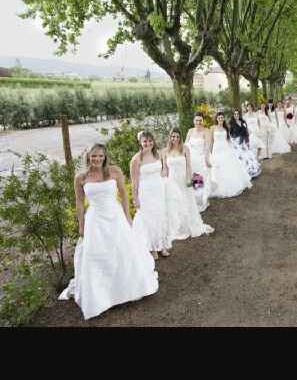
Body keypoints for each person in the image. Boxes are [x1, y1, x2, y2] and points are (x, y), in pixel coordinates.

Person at [58, 144, 158, 320]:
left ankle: (127, 289)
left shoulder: (114, 171)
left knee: (123, 251)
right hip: (95, 220)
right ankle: (101, 297)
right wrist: (81, 225)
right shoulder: (81, 178)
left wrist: (127, 216)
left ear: (105, 157)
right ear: (88, 156)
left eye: (100, 156)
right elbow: (79, 203)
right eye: (94, 156)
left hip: (115, 216)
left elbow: (124, 194)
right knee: (97, 256)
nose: (97, 159)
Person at [163, 127, 214, 242]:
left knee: (186, 200)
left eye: (177, 136)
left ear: (180, 137)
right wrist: (163, 183)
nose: (175, 139)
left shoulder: (185, 149)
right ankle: (178, 226)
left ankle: (189, 225)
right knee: (175, 203)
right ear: (169, 137)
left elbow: (188, 166)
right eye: (172, 136)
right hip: (172, 181)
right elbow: (165, 169)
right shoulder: (165, 151)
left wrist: (189, 179)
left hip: (183, 179)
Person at [130, 130, 171, 258]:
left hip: (158, 189)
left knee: (160, 216)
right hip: (145, 192)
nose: (148, 143)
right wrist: (135, 198)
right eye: (145, 141)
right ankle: (152, 248)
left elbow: (163, 171)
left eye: (150, 140)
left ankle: (162, 245)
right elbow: (134, 181)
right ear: (140, 143)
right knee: (149, 218)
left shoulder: (158, 155)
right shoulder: (136, 159)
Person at [209, 111, 253, 198]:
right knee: (217, 168)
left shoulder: (226, 128)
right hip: (217, 149)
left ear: (223, 119)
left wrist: (233, 148)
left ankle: (231, 185)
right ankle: (217, 187)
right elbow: (211, 141)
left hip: (225, 148)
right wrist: (210, 152)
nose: (220, 119)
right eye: (219, 118)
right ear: (216, 119)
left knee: (228, 166)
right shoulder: (212, 128)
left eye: (222, 118)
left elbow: (228, 140)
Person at [184, 114, 213, 212]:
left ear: (203, 121)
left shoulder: (206, 131)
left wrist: (206, 159)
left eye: (200, 120)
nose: (198, 122)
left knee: (198, 178)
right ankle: (192, 200)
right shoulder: (190, 131)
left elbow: (207, 147)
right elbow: (185, 145)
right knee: (190, 178)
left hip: (200, 158)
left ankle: (199, 200)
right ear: (193, 121)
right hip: (190, 158)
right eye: (196, 120)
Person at [229, 109, 262, 178]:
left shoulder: (243, 121)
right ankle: (244, 173)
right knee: (242, 157)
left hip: (244, 141)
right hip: (238, 143)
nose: (236, 115)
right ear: (233, 115)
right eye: (235, 114)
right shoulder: (231, 123)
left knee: (248, 156)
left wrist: (247, 140)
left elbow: (246, 131)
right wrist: (235, 140)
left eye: (237, 114)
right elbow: (231, 134)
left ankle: (251, 171)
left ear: (239, 115)